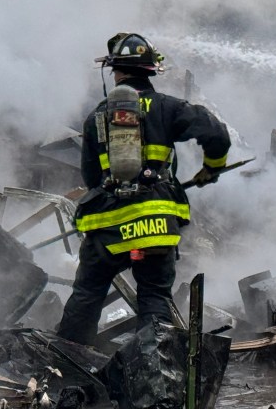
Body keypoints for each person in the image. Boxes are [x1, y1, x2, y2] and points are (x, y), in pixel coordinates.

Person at [56, 32, 230, 346]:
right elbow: (216, 132)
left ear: (114, 71)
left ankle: (66, 367)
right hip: (155, 228)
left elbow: (92, 177)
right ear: (151, 71)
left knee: (87, 296)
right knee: (153, 298)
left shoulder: (96, 117)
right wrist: (212, 167)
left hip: (107, 229)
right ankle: (155, 373)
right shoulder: (167, 107)